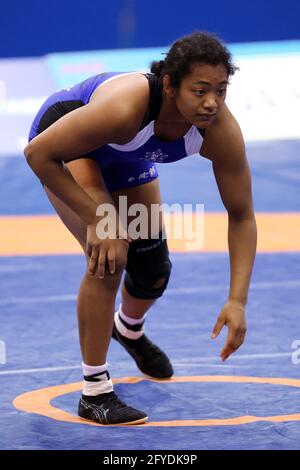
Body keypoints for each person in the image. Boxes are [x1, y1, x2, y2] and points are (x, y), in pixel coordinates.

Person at [24, 31, 257, 425]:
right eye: (200, 91)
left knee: (152, 268)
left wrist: (237, 300)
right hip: (66, 144)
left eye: (220, 90)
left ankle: (128, 329)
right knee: (110, 254)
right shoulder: (126, 109)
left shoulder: (220, 129)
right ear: (169, 85)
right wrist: (100, 219)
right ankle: (94, 391)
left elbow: (242, 216)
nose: (212, 102)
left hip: (124, 150)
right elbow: (39, 154)